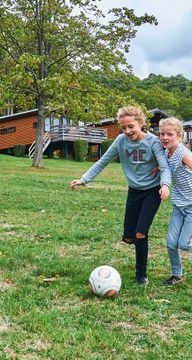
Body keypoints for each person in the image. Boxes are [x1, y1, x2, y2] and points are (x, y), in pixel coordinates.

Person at [70, 106, 171, 285]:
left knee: (141, 233)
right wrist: (84, 179)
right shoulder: (120, 141)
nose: (127, 131)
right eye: (123, 128)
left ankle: (141, 275)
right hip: (134, 191)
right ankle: (132, 239)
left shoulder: (153, 142)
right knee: (129, 237)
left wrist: (164, 185)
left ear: (141, 123)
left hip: (152, 192)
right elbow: (103, 161)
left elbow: (164, 165)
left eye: (131, 126)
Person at [158, 117, 192, 286]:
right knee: (172, 244)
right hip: (178, 205)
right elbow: (167, 168)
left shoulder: (183, 154)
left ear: (179, 136)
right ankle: (176, 274)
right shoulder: (166, 152)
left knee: (184, 244)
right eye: (162, 134)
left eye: (169, 134)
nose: (165, 137)